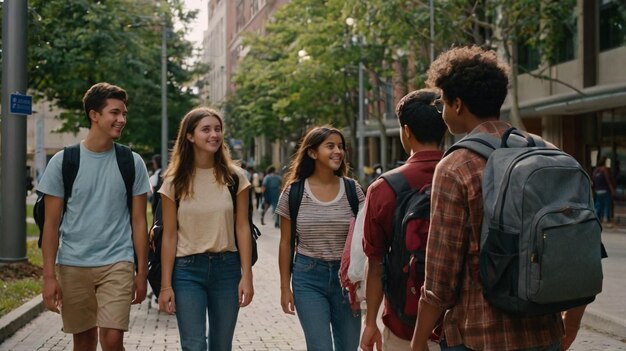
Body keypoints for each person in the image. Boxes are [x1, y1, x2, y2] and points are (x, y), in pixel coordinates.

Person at [410, 46, 586, 351]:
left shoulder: (456, 166)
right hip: (545, 331)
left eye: (443, 104)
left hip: (479, 335)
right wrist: (570, 324)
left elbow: (441, 278)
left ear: (458, 104)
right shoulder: (549, 152)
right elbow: (577, 246)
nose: (442, 112)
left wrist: (417, 341)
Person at [38, 82, 151, 351]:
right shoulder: (64, 162)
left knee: (112, 340)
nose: (122, 119)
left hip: (118, 262)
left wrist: (142, 273)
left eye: (124, 113)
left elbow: (139, 221)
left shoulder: (131, 162)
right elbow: (51, 226)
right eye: (115, 112)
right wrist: (49, 277)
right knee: (84, 342)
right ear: (94, 115)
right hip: (74, 264)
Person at [157, 107, 254, 351]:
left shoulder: (235, 178)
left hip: (227, 269)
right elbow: (169, 236)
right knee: (194, 345)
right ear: (189, 136)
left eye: (218, 129)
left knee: (222, 345)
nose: (214, 135)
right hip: (187, 272)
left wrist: (247, 276)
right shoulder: (174, 181)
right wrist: (165, 285)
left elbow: (242, 228)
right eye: (206, 129)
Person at [360, 89, 447, 351]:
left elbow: (375, 263)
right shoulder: (468, 173)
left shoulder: (384, 188)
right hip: (459, 326)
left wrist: (371, 323)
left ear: (406, 131)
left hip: (403, 324)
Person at [276, 125, 365, 351]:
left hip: (347, 281)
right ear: (312, 153)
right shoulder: (294, 192)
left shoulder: (353, 190)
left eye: (340, 146)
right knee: (319, 346)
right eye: (330, 146)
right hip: (308, 278)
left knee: (348, 347)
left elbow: (365, 237)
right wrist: (285, 288)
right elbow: (286, 243)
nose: (338, 151)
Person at [592, 156, 615, 227]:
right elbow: (608, 181)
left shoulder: (595, 170)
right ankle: (606, 219)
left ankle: (596, 219)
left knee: (598, 205)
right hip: (605, 190)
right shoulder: (604, 169)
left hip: (598, 191)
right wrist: (612, 190)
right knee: (607, 205)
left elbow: (593, 181)